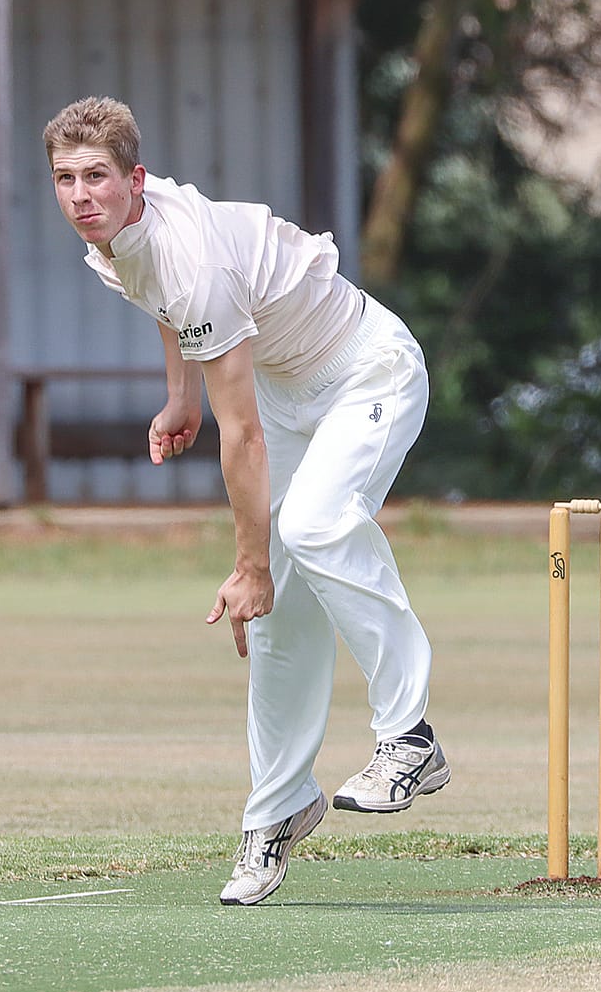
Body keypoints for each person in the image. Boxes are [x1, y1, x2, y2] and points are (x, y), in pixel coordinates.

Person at [44, 96, 449, 907]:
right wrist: (178, 396)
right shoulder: (114, 242)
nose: (81, 195)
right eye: (64, 179)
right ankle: (279, 808)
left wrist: (250, 563)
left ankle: (411, 735)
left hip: (367, 370)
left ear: (137, 180)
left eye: (97, 177)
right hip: (290, 391)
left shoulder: (191, 258)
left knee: (312, 526)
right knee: (279, 619)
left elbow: (245, 439)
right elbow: (161, 303)